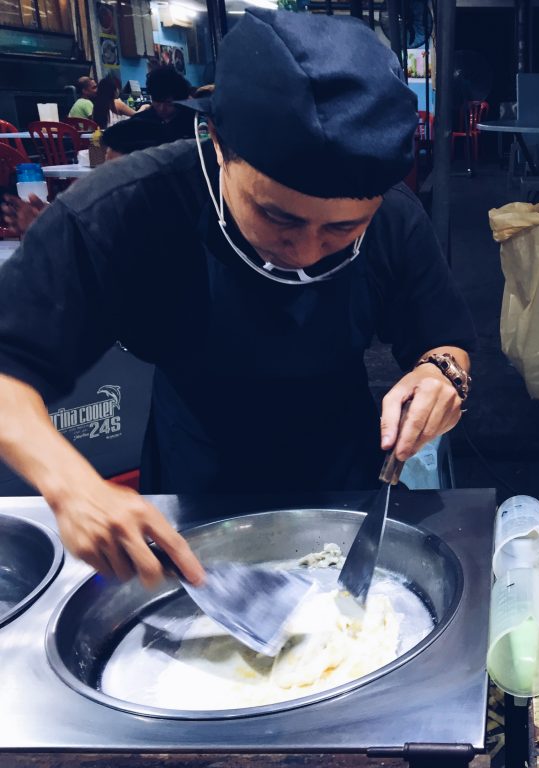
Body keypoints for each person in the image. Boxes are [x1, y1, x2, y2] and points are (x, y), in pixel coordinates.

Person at [0, 10, 475, 588]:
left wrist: (441, 376)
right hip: (192, 498)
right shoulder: (127, 209)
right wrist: (70, 485)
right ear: (220, 144)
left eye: (342, 230)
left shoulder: (395, 219)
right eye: (278, 216)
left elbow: (441, 340)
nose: (305, 250)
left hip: (346, 489)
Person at [1, 118, 170, 237]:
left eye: (117, 171)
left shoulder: (162, 221)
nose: (108, 179)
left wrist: (49, 231)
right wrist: (54, 221)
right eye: (106, 169)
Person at [134, 66, 194, 142]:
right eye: (157, 102)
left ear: (180, 100)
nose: (162, 108)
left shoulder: (193, 120)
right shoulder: (140, 121)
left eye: (169, 103)